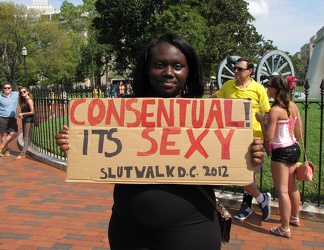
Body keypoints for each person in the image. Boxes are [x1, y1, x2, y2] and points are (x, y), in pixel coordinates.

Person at [55, 33, 265, 249]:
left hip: (193, 233)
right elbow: (105, 161)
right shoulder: (121, 111)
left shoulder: (209, 116)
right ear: (146, 69)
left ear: (188, 71)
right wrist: (74, 143)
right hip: (128, 234)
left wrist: (250, 158)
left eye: (177, 66)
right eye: (159, 65)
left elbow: (222, 176)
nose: (168, 73)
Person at [210, 58, 272, 221]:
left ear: (250, 71)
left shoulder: (258, 89)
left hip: (253, 136)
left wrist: (267, 139)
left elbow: (266, 114)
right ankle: (261, 198)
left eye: (239, 69)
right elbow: (215, 99)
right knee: (238, 173)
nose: (235, 71)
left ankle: (247, 206)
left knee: (249, 174)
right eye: (235, 68)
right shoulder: (228, 86)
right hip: (232, 135)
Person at [261, 75, 302, 238]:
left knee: (282, 190)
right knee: (292, 187)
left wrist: (261, 122)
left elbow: (269, 137)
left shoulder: (275, 110)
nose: (267, 88)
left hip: (281, 151)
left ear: (274, 89)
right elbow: (299, 131)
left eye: (269, 85)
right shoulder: (293, 106)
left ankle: (284, 228)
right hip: (293, 147)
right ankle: (295, 217)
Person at [0, 83, 19, 157]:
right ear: (3, 89)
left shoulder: (15, 94)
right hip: (2, 117)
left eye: (9, 88)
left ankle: (1, 146)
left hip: (12, 117)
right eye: (5, 88)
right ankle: (6, 149)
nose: (7, 89)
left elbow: (24, 92)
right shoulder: (0, 97)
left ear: (11, 88)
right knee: (3, 134)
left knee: (14, 133)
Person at [16, 86, 35, 159]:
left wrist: (22, 114)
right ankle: (24, 151)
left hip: (29, 121)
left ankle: (22, 154)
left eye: (24, 91)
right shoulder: (23, 100)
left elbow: (32, 111)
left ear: (27, 92)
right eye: (21, 92)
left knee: (26, 138)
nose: (22, 93)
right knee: (25, 137)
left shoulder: (29, 100)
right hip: (25, 120)